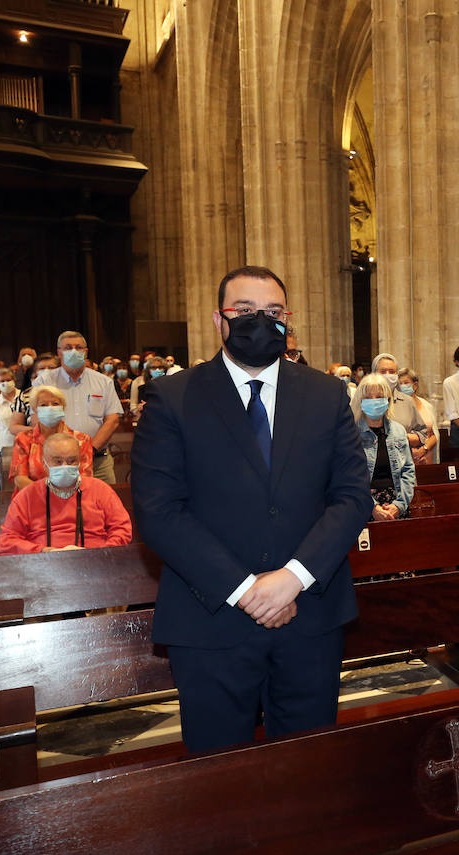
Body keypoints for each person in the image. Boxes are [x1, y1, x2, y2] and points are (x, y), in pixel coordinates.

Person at [130, 265, 372, 754]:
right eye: (244, 310)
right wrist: (245, 590)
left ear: (288, 321)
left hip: (310, 615)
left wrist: (294, 578)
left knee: (308, 768)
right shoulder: (173, 397)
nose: (259, 320)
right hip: (211, 619)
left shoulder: (325, 394)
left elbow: (351, 496)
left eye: (273, 312)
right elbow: (159, 510)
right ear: (219, 320)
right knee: (220, 778)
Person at [0, 433, 132, 554]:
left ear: (80, 461)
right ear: (44, 464)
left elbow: (122, 529)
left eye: (72, 460)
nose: (65, 465)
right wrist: (42, 551)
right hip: (42, 566)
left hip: (96, 562)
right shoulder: (27, 496)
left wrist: (100, 553)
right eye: (57, 461)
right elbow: (6, 542)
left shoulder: (100, 489)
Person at [18, 331, 122, 483]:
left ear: (86, 352)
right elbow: (36, 419)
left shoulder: (103, 382)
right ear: (59, 352)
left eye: (79, 347)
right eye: (68, 347)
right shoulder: (44, 381)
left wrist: (89, 450)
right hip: (58, 464)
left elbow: (112, 420)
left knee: (101, 504)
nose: (74, 351)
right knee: (61, 506)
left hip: (98, 461)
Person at [353, 373, 416, 521]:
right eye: (369, 397)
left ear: (388, 400)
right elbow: (351, 476)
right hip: (363, 503)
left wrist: (399, 505)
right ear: (361, 401)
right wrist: (373, 507)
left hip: (397, 503)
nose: (374, 401)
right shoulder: (352, 433)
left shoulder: (398, 430)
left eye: (379, 397)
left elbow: (408, 471)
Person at [10, 385, 94, 489]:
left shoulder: (81, 439)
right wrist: (49, 496)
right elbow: (20, 479)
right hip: (34, 497)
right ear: (35, 409)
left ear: (63, 407)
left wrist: (62, 496)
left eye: (55, 404)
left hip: (71, 498)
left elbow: (85, 477)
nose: (50, 408)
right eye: (43, 405)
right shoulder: (23, 439)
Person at [0, 367, 28, 493]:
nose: (5, 383)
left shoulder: (24, 396)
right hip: (3, 444)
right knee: (5, 479)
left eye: (8, 379)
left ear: (14, 380)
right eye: (2, 381)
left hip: (24, 443)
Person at [395, 367, 439, 465]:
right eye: (400, 384)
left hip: (428, 455)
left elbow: (434, 434)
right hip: (407, 455)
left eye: (406, 383)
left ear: (415, 385)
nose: (403, 386)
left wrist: (424, 449)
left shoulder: (427, 405)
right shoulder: (396, 406)